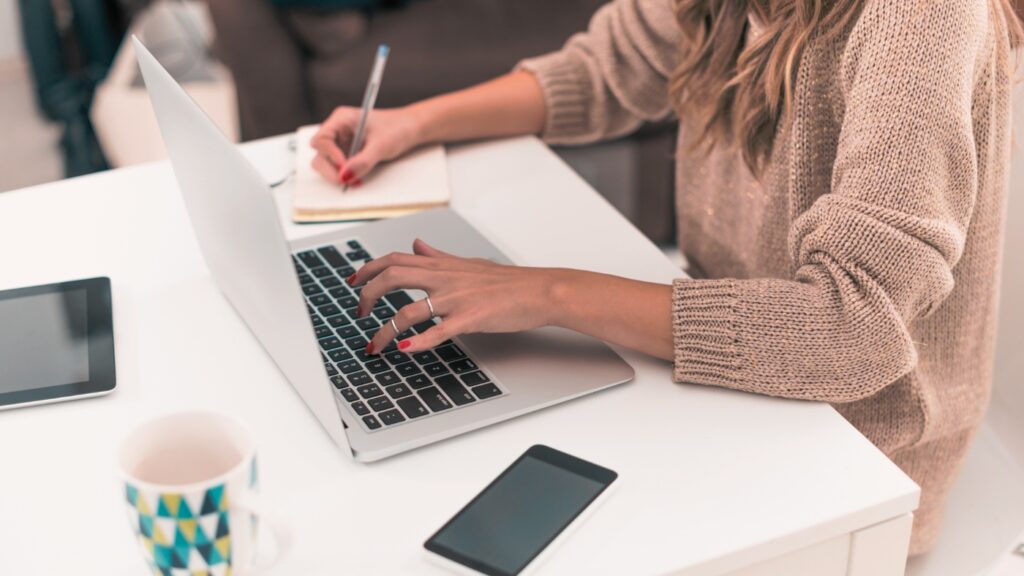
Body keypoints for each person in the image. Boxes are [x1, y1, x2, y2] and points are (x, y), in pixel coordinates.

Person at [309, 0, 1021, 555]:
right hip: (722, 377)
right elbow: (605, 69)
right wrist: (415, 122)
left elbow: (854, 328)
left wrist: (545, 292)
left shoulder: (921, 19)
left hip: (852, 450)